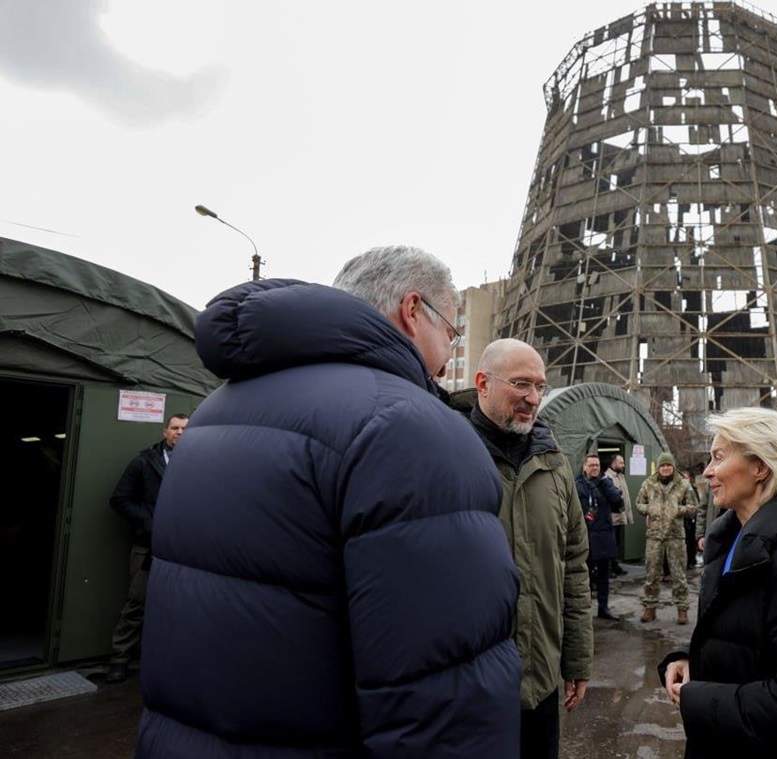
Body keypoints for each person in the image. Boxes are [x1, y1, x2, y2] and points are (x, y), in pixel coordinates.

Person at [137, 246, 522, 756]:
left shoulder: (212, 414)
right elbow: (440, 686)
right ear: (413, 311)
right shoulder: (408, 424)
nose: (451, 350)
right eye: (451, 331)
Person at [658, 407, 777, 758]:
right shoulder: (733, 543)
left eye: (719, 457)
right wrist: (692, 663)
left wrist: (700, 698)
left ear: (761, 467)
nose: (707, 471)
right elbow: (747, 641)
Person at [464, 338, 593, 759]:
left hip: (540, 683)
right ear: (483, 383)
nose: (533, 398)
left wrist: (576, 660)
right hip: (471, 687)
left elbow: (573, 566)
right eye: (521, 384)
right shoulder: (450, 453)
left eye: (540, 386)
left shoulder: (554, 463)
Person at [103, 413, 188, 684]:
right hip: (148, 547)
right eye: (175, 428)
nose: (180, 433)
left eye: (186, 429)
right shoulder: (143, 462)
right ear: (165, 432)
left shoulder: (200, 463)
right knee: (136, 604)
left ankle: (168, 661)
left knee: (177, 606)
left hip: (184, 549)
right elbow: (120, 499)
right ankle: (119, 660)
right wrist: (147, 520)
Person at [638, 452, 698, 625]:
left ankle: (682, 609)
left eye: (668, 465)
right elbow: (639, 503)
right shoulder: (649, 484)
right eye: (662, 466)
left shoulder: (683, 485)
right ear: (658, 468)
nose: (665, 468)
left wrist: (678, 510)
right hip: (654, 536)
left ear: (673, 467)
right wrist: (650, 509)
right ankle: (650, 608)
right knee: (651, 574)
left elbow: (693, 507)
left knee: (679, 574)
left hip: (675, 536)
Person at [577, 453, 625, 621]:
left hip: (604, 534)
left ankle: (603, 608)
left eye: (597, 465)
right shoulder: (578, 485)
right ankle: (583, 611)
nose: (595, 468)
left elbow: (617, 500)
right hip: (586, 536)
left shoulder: (605, 483)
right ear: (584, 467)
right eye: (591, 465)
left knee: (604, 575)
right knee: (584, 576)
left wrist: (605, 482)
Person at [605, 454, 632, 577]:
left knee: (616, 543)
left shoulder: (620, 476)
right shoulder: (608, 477)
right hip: (613, 517)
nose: (623, 465)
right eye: (620, 463)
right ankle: (609, 567)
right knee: (610, 543)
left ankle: (615, 565)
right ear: (614, 463)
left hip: (620, 516)